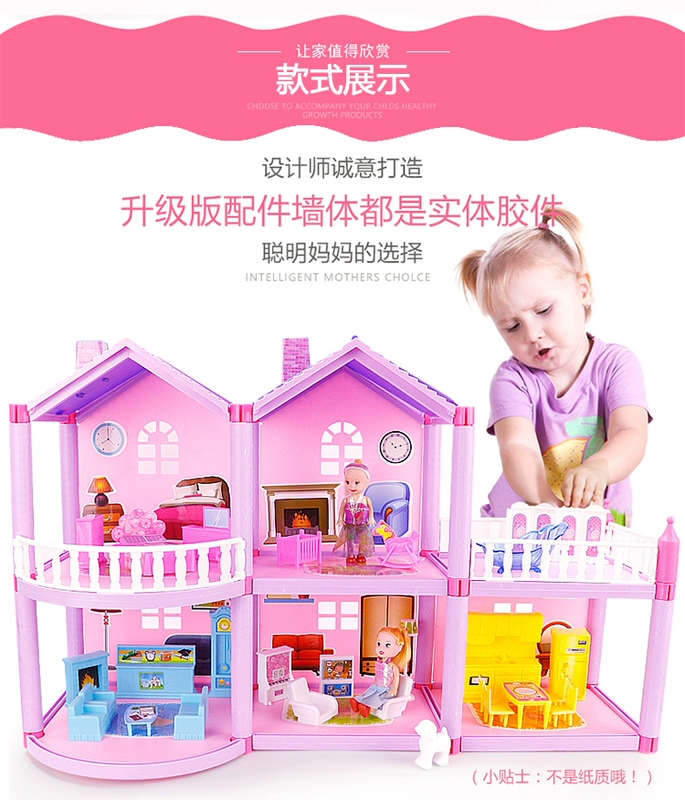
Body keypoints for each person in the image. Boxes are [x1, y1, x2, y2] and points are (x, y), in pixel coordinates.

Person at [457, 207, 649, 524]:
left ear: (582, 291)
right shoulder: (512, 380)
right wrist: (550, 509)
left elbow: (630, 433)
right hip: (518, 531)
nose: (532, 334)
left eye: (544, 310)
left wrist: (598, 468)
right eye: (512, 327)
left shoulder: (617, 365)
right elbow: (517, 448)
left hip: (602, 528)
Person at [350, 626, 411, 718]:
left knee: (378, 699)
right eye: (379, 643)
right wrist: (374, 683)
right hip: (377, 686)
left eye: (388, 645)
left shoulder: (392, 666)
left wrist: (394, 688)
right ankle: (358, 702)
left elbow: (396, 678)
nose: (381, 648)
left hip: (386, 689)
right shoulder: (379, 663)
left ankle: (368, 709)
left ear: (399, 648)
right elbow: (377, 676)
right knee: (368, 694)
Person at [333, 460, 375, 565]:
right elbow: (342, 510)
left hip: (362, 524)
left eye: (357, 483)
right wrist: (340, 519)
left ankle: (361, 554)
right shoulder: (347, 500)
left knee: (363, 540)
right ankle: (350, 555)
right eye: (347, 482)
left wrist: (371, 518)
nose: (351, 486)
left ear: (367, 483)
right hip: (349, 524)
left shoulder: (366, 500)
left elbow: (371, 509)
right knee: (350, 540)